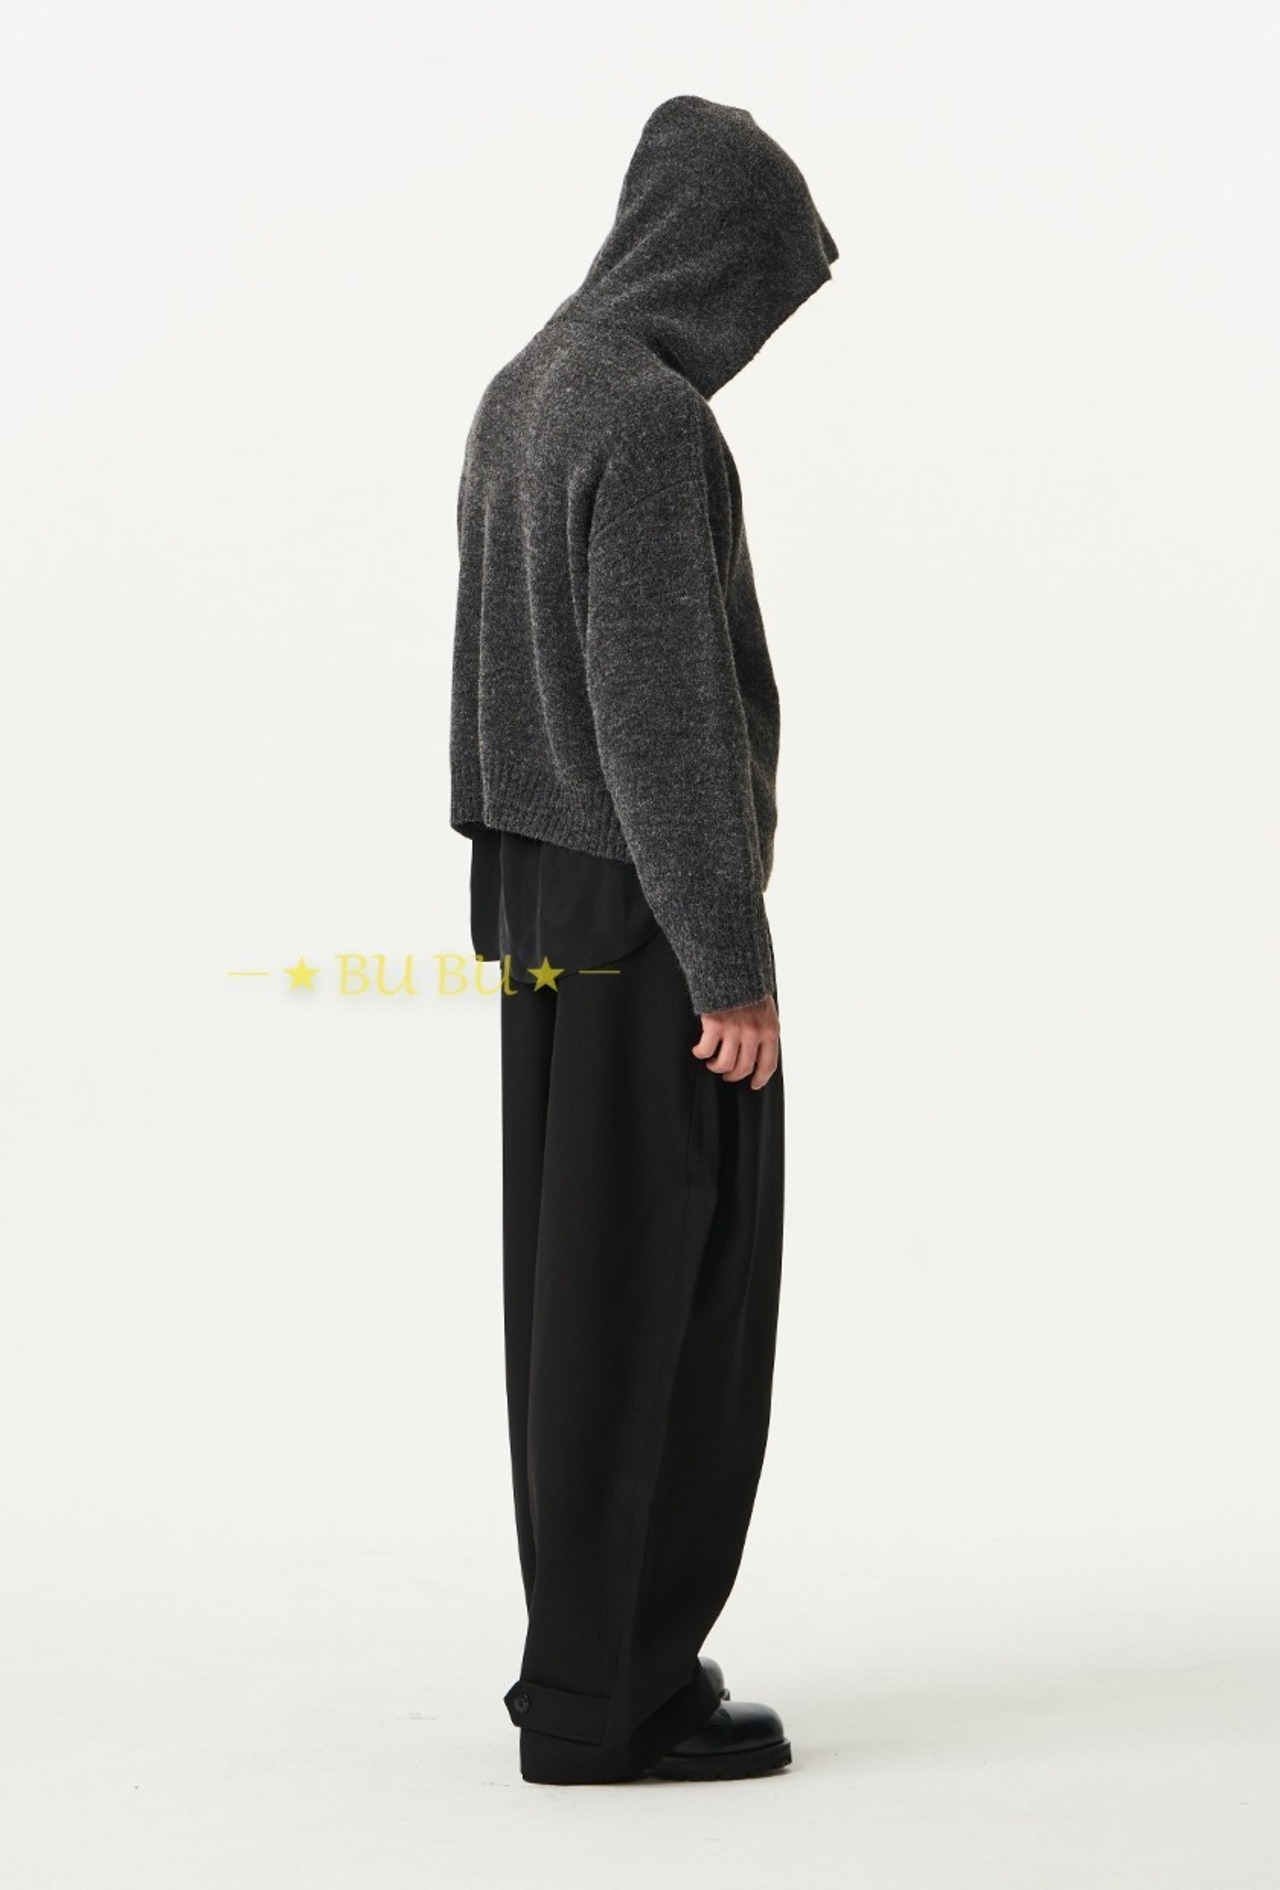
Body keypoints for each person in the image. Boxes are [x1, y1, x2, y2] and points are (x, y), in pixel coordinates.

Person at [449, 94, 838, 1785]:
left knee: (575, 1299)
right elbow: (663, 711)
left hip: (547, 906)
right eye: (763, 291)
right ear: (714, 256)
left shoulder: (525, 385)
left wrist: (505, 892)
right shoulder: (651, 419)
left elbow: (490, 675)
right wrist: (728, 964)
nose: (755, 335)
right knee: (680, 1295)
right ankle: (621, 1696)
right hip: (649, 915)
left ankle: (584, 1661)